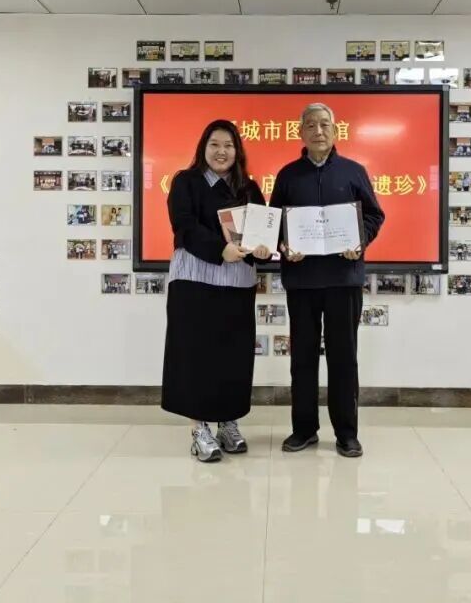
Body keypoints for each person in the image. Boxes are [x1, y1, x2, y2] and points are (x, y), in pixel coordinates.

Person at [270, 103, 385, 458]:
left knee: (343, 358)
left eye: (324, 125)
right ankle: (304, 429)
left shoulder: (354, 172)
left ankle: (347, 433)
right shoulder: (288, 175)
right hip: (302, 282)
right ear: (300, 132)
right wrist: (284, 245)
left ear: (335, 131)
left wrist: (359, 241)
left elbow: (374, 215)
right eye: (310, 125)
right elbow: (273, 223)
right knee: (302, 359)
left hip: (343, 280)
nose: (318, 131)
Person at [161, 120, 271, 463]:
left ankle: (228, 423)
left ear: (237, 151)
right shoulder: (186, 181)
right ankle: (199, 429)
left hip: (237, 283)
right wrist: (219, 249)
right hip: (195, 280)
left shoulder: (248, 188)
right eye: (214, 144)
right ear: (203, 148)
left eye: (228, 145)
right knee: (196, 356)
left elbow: (261, 235)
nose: (221, 152)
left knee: (233, 356)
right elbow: (184, 225)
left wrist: (263, 250)